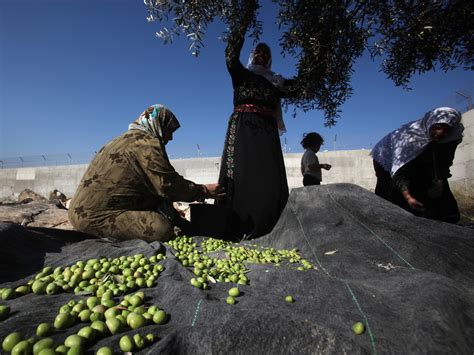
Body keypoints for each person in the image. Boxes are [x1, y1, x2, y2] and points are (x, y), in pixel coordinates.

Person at [68, 104, 224, 242]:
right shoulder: (146, 144)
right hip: (94, 218)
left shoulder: (119, 140)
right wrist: (203, 191)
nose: (170, 137)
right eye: (169, 130)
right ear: (159, 124)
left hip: (77, 212)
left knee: (162, 205)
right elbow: (167, 184)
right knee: (160, 228)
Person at [215, 21, 300, 238]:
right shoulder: (241, 74)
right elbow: (230, 57)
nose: (262, 55)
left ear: (269, 58)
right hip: (243, 127)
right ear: (253, 55)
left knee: (269, 176)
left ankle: (270, 225)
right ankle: (236, 224)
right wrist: (242, 21)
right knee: (241, 173)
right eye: (258, 52)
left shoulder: (276, 82)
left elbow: (301, 87)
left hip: (267, 131)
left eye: (266, 53)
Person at [371, 107, 463, 223]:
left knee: (435, 188)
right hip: (385, 158)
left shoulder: (452, 136)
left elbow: (444, 163)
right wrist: (408, 197)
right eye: (438, 127)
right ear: (430, 124)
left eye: (446, 129)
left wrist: (439, 181)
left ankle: (445, 218)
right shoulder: (408, 140)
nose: (441, 133)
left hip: (420, 158)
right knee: (391, 193)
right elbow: (399, 172)